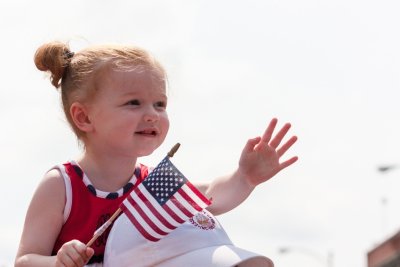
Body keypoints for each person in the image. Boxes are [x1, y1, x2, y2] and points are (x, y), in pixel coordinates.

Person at [15, 41, 298, 267]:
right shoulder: (62, 184)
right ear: (84, 117)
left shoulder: (152, 185)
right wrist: (56, 262)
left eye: (160, 104)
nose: (152, 115)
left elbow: (210, 195)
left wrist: (245, 177)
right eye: (133, 103)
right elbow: (25, 260)